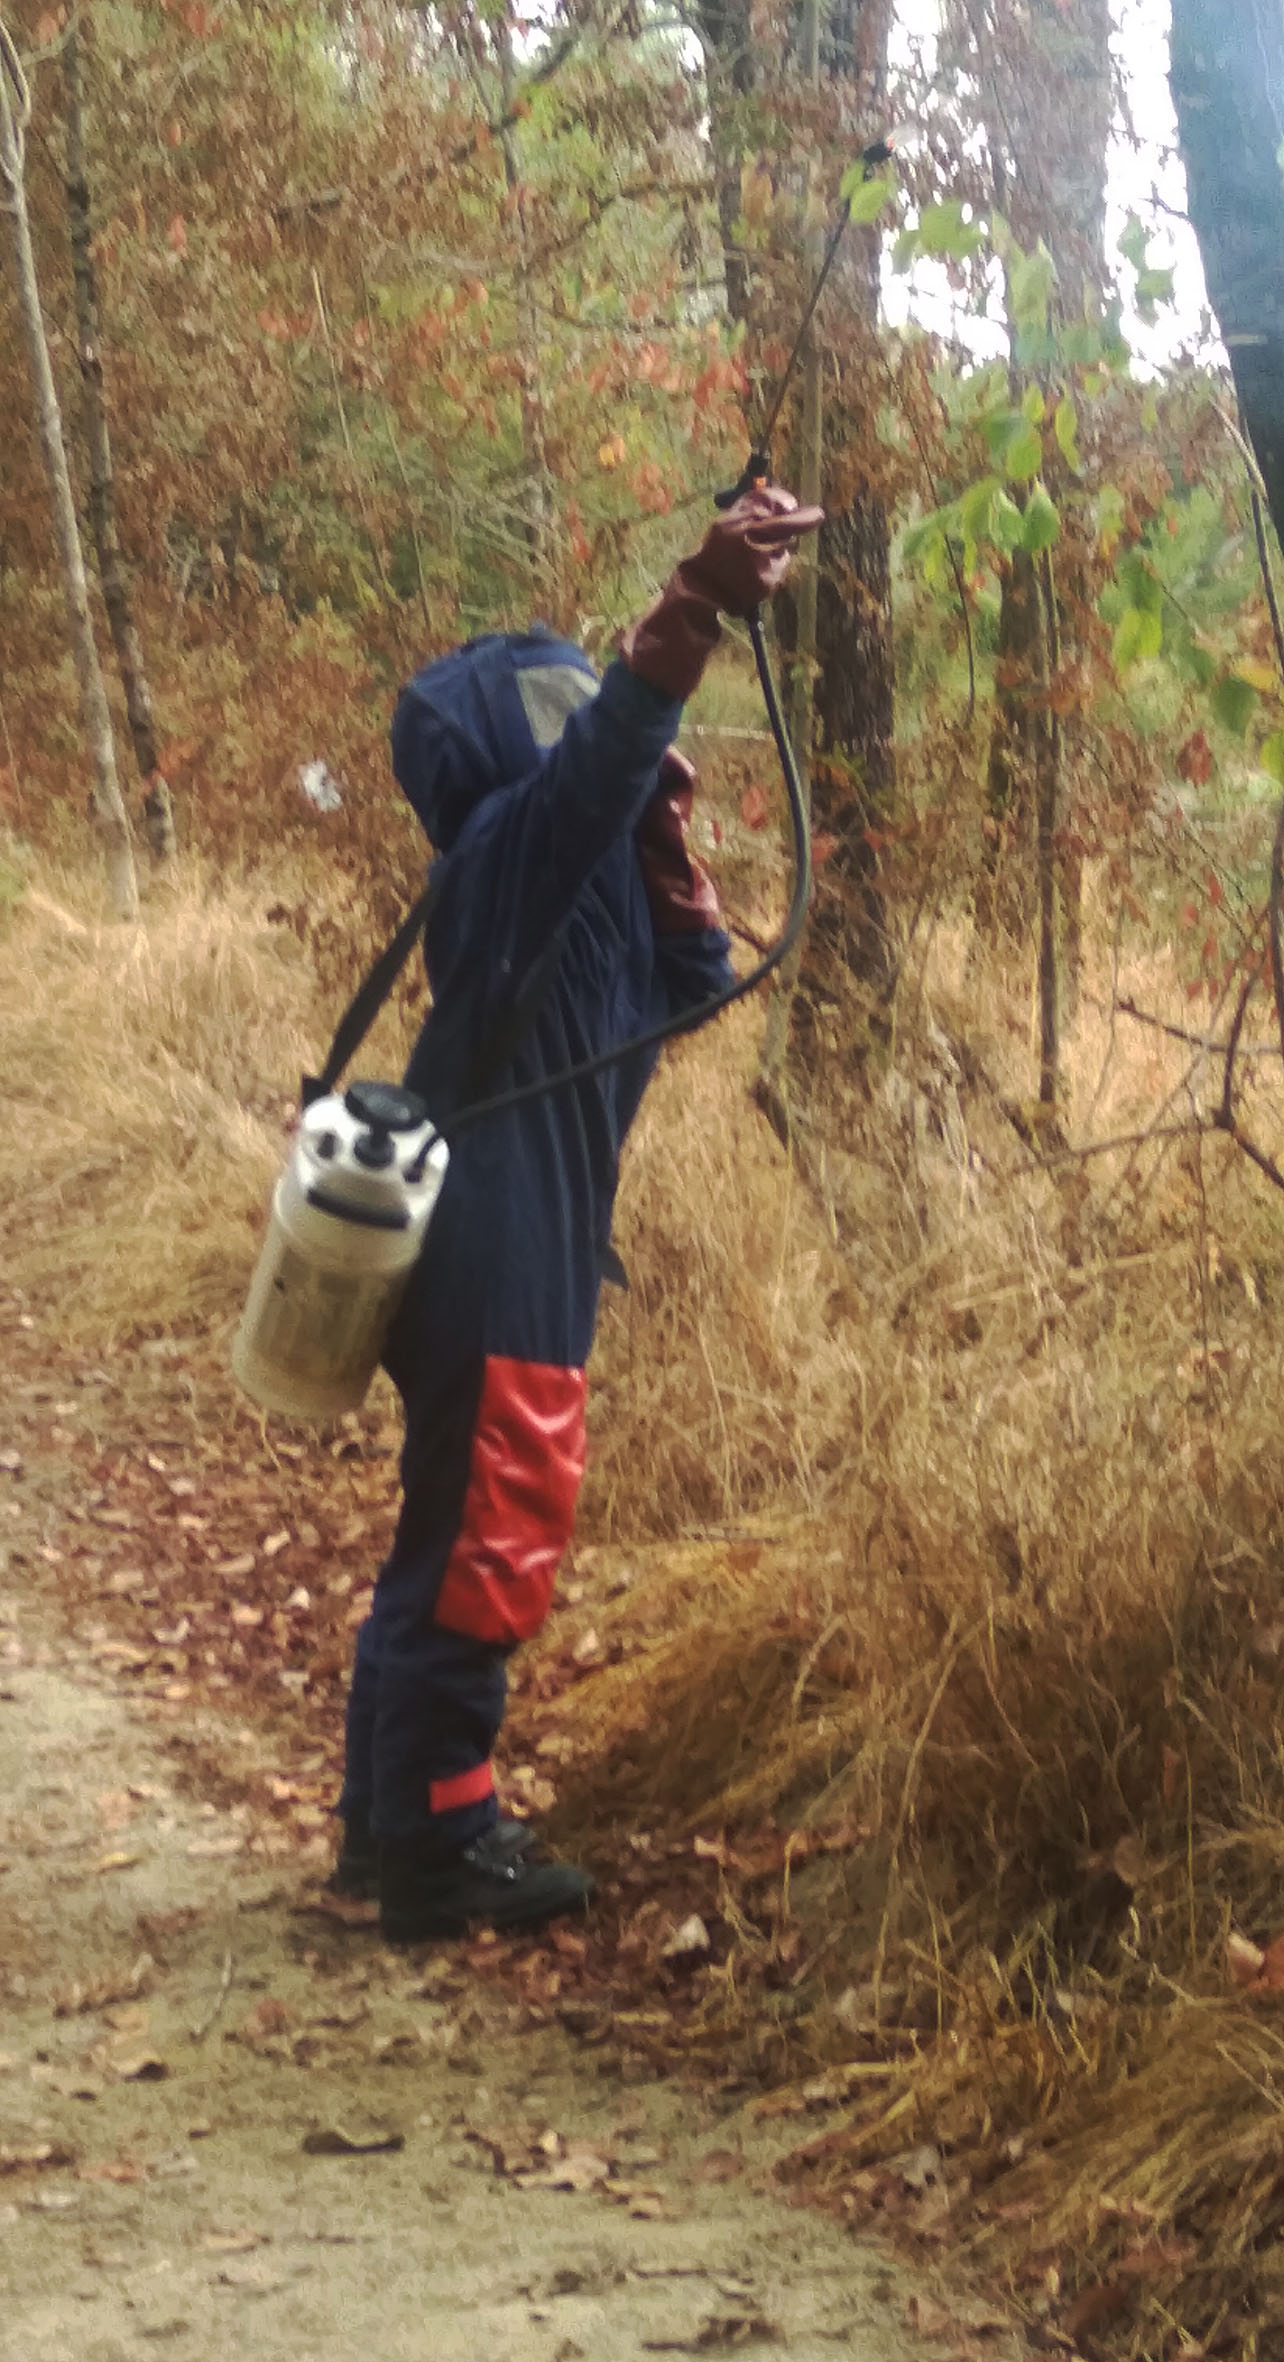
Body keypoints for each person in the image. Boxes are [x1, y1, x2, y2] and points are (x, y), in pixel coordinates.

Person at [328, 484, 822, 1942]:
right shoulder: (507, 854)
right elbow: (599, 757)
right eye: (553, 708)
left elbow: (689, 992)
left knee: (450, 1522)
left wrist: (673, 863)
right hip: (495, 1235)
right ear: (506, 742)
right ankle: (443, 1837)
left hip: (509, 1229)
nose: (581, 722)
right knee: (492, 1526)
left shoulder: (572, 874)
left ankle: (381, 1816)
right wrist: (696, 609)